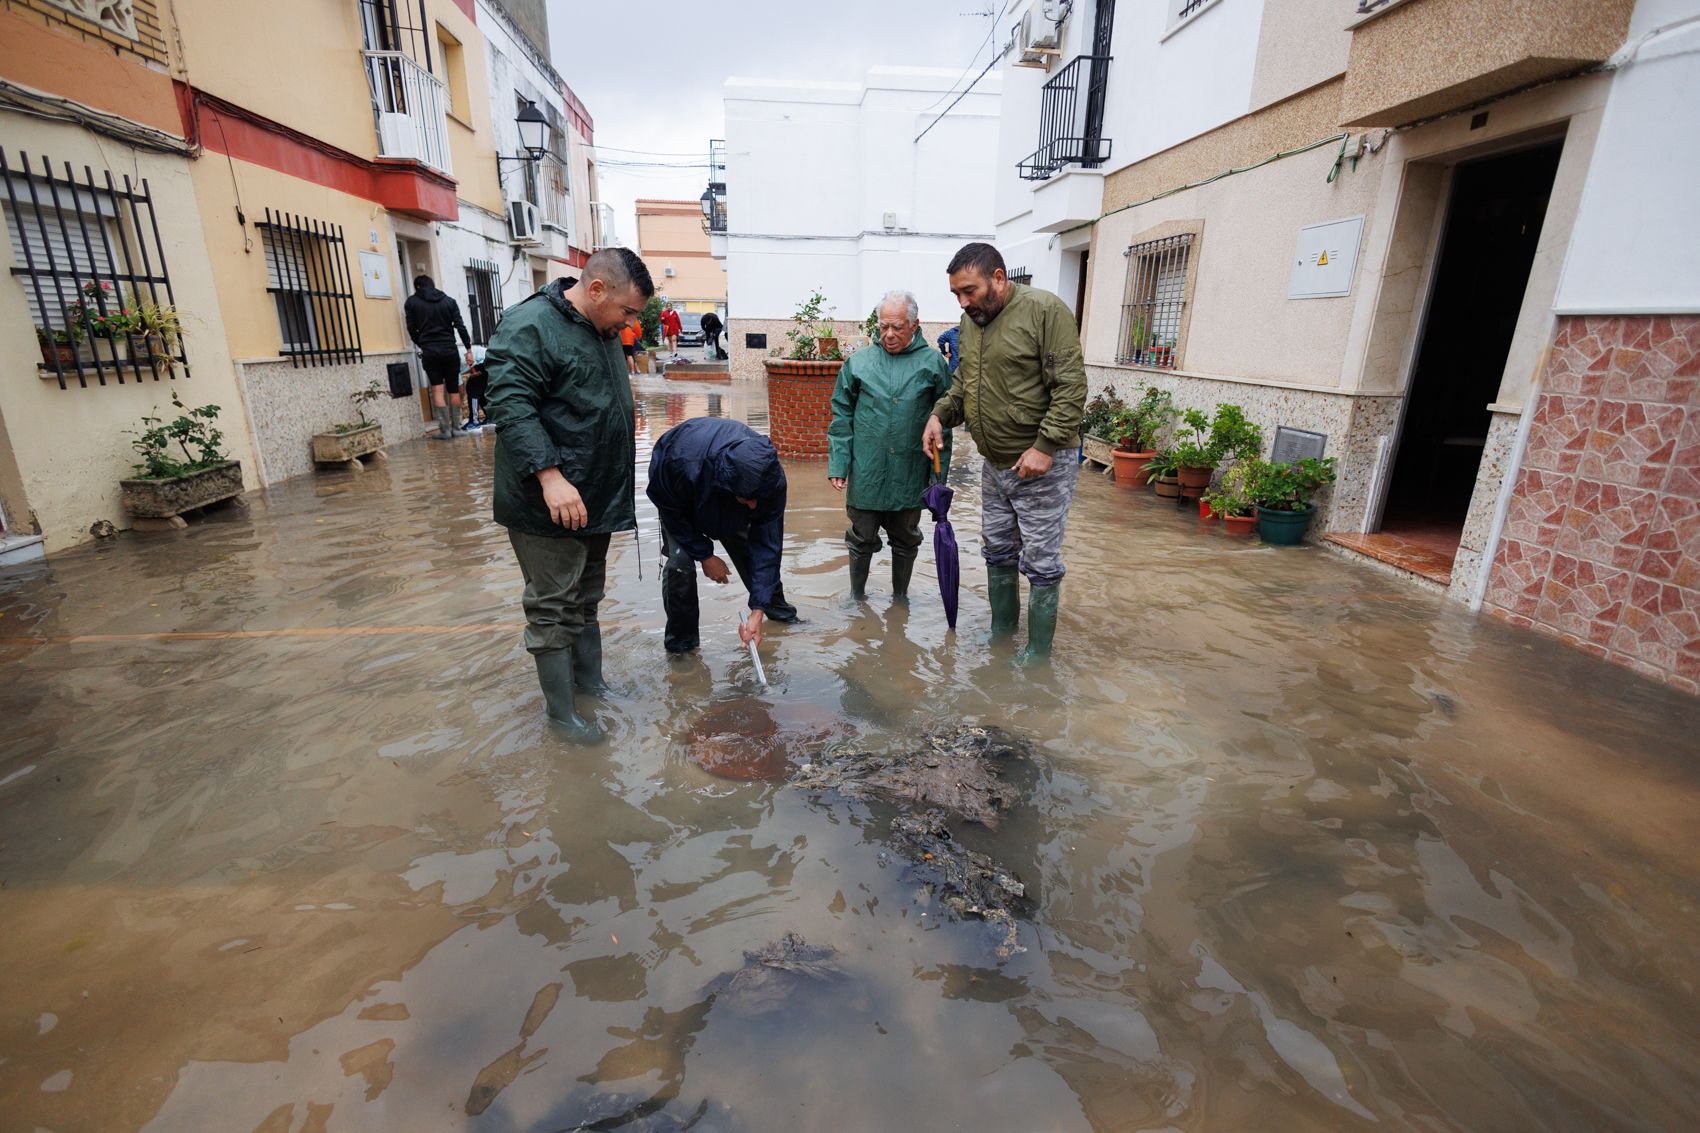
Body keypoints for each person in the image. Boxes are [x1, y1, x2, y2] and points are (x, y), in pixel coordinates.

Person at [486, 247, 655, 742]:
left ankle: (591, 686)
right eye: (627, 312)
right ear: (596, 289)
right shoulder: (531, 326)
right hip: (547, 502)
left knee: (586, 598)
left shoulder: (603, 329)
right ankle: (562, 717)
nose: (630, 324)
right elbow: (510, 404)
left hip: (594, 497)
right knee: (553, 606)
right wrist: (549, 476)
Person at [921, 242, 1086, 664]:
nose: (963, 302)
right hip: (995, 465)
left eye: (969, 291)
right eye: (956, 294)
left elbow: (1070, 388)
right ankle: (1002, 635)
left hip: (1042, 465)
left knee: (1041, 561)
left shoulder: (1045, 311)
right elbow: (964, 384)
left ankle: (1037, 655)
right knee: (996, 549)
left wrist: (1044, 447)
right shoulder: (971, 322)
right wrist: (939, 415)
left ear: (998, 278)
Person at [827, 289, 953, 602]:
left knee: (906, 539)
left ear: (915, 325)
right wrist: (839, 463)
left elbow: (945, 421)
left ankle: (900, 599)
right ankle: (857, 598)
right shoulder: (859, 363)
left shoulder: (932, 363)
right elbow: (841, 415)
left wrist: (938, 478)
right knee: (860, 537)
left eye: (897, 327)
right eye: (883, 326)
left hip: (910, 472)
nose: (889, 334)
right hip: (866, 470)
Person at [647, 417, 800, 655]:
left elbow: (768, 546)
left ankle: (777, 612)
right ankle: (682, 649)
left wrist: (757, 611)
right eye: (746, 498)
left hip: (728, 501)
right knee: (681, 563)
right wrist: (705, 555)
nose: (753, 506)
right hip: (682, 501)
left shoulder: (771, 481)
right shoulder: (682, 462)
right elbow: (669, 508)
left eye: (757, 499)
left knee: (754, 556)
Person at [404, 274, 475, 439]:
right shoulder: (449, 301)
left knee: (437, 389)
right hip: (449, 349)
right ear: (432, 285)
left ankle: (444, 430)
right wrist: (468, 348)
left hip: (430, 350)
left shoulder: (412, 302)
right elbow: (460, 326)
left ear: (418, 287)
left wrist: (422, 343)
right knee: (453, 389)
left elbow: (411, 328)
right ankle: (457, 428)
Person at [462, 344, 489, 431]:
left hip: (481, 360)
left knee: (473, 390)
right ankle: (489, 417)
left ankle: (474, 422)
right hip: (485, 358)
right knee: (480, 390)